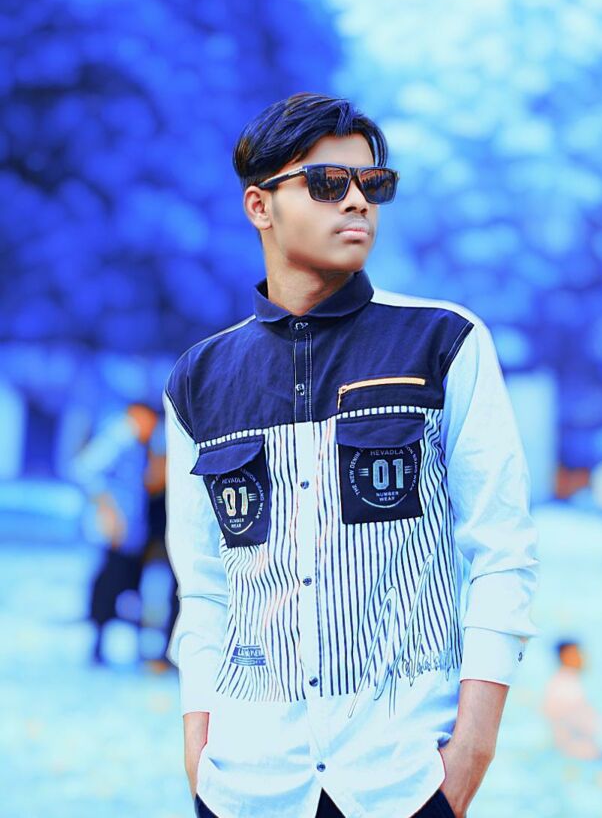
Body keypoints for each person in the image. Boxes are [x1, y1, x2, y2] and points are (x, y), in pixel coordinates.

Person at [163, 92, 540, 818]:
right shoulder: (200, 379)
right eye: (328, 183)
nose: (358, 201)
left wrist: (470, 751)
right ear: (259, 206)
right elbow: (205, 585)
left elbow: (502, 553)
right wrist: (198, 750)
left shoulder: (444, 342)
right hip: (246, 781)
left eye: (373, 183)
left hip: (401, 776)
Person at [71, 402, 159, 664]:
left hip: (129, 533)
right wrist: (108, 510)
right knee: (109, 588)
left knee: (127, 588)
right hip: (114, 534)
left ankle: (120, 648)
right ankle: (98, 647)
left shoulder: (138, 443)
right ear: (138, 415)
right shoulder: (120, 435)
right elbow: (83, 469)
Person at [542, 639, 602, 761]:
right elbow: (588, 725)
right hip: (581, 754)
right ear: (565, 657)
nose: (582, 658)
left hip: (572, 752)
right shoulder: (567, 688)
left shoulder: (559, 684)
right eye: (577, 654)